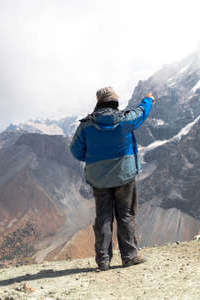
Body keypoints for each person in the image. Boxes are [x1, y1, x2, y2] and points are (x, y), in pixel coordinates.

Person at [70, 86, 154, 271]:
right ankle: (129, 257)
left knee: (104, 217)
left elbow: (75, 150)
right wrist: (148, 99)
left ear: (98, 103)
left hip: (98, 179)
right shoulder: (125, 121)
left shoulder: (86, 125)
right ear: (115, 102)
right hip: (124, 176)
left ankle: (103, 261)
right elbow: (141, 112)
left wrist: (94, 159)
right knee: (125, 214)